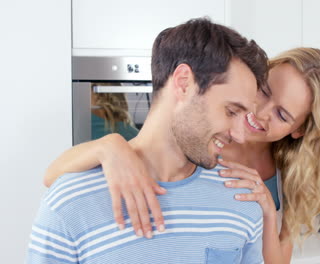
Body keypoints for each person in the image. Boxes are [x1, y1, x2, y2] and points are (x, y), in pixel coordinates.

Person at [43, 47, 320, 263]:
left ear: (299, 130)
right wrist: (108, 146)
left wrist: (266, 212)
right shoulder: (203, 135)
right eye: (264, 91)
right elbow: (52, 178)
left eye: (281, 114)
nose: (259, 113)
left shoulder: (290, 174)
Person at [27, 18, 269, 264]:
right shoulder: (70, 203)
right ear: (184, 83)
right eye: (231, 111)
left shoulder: (240, 198)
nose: (240, 136)